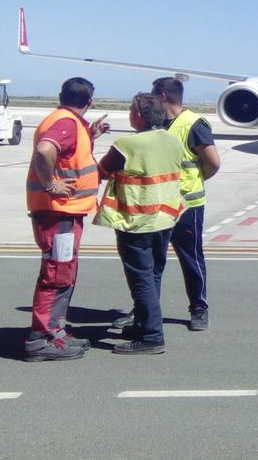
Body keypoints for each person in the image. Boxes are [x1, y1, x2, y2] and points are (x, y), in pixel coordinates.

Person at [23, 77, 109, 362]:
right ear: (90, 100)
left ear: (62, 95)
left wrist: (91, 135)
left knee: (63, 271)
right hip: (58, 212)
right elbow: (45, 150)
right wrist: (50, 184)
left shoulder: (67, 121)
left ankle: (54, 331)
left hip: (63, 213)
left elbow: (66, 155)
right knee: (57, 274)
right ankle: (42, 339)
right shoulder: (67, 123)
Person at [94, 93, 186, 355]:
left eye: (131, 111)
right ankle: (145, 324)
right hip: (166, 217)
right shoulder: (173, 141)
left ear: (140, 115)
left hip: (136, 220)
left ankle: (152, 336)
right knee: (154, 274)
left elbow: (101, 171)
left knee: (141, 279)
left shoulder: (127, 144)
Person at [132, 77, 220, 332]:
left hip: (186, 206)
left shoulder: (193, 124)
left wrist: (194, 180)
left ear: (162, 95)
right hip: (158, 204)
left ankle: (199, 308)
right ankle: (145, 312)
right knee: (152, 263)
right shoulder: (154, 124)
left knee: (191, 259)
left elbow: (212, 162)